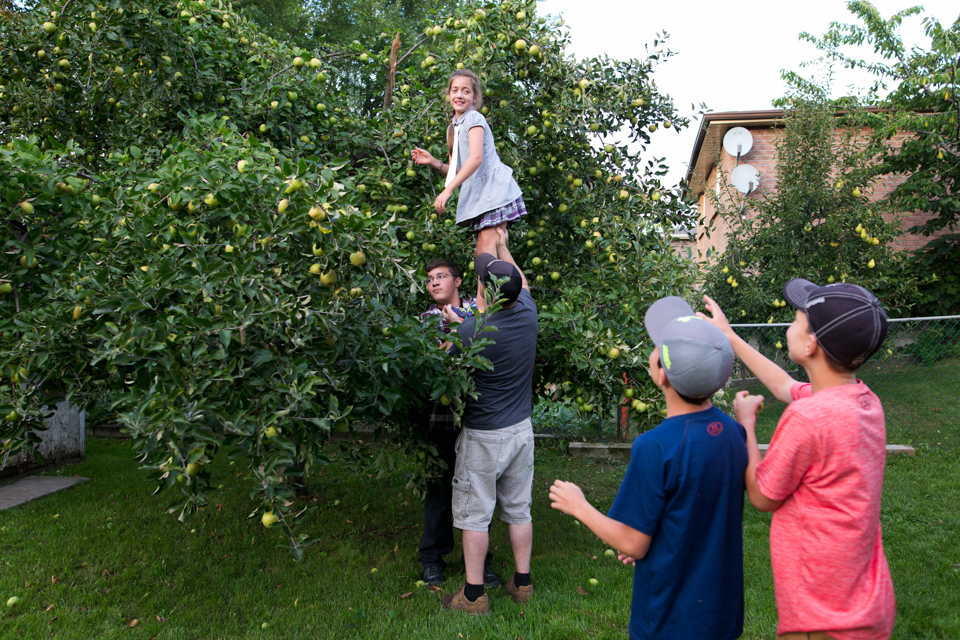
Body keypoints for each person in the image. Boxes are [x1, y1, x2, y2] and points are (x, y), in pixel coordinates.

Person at [699, 281, 896, 640]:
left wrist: (746, 424)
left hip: (820, 614)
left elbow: (762, 495)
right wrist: (728, 336)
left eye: (795, 320)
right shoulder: (864, 402)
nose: (788, 326)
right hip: (865, 602)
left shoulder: (807, 418)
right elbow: (783, 386)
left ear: (810, 344)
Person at [550, 296, 747, 640]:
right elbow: (690, 507)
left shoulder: (656, 446)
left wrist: (578, 505)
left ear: (661, 375)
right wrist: (652, 537)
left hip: (670, 619)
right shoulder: (733, 432)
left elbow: (632, 543)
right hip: (721, 614)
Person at [441, 228, 538, 615]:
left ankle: (474, 594)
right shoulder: (528, 311)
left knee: (474, 515)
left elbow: (450, 362)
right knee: (519, 509)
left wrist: (453, 323)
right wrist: (502, 242)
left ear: (486, 292)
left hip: (484, 435)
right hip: (521, 430)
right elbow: (519, 280)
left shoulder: (473, 330)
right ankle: (523, 583)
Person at [416, 258, 498, 588]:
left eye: (441, 277)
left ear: (458, 281)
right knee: (438, 491)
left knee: (477, 493)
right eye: (430, 279)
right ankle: (432, 559)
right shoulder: (424, 321)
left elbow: (487, 351)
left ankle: (481, 562)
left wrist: (457, 333)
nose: (435, 283)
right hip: (439, 419)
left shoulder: (477, 314)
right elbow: (433, 361)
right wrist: (457, 335)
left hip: (476, 421)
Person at [411, 69, 526, 301]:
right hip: (482, 197)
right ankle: (521, 298)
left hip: (494, 192)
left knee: (484, 253)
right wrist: (434, 162)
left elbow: (475, 159)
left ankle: (483, 313)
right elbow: (454, 171)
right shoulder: (453, 127)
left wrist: (449, 190)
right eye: (455, 90)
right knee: (489, 255)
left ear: (475, 98)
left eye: (466, 91)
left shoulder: (474, 118)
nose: (459, 95)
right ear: (448, 95)